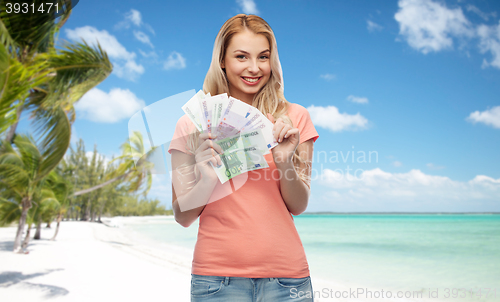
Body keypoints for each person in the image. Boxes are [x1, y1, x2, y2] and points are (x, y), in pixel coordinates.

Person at [168, 14, 319, 302]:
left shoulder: (295, 119)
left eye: (263, 57)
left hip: (288, 280)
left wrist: (285, 162)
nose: (254, 68)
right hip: (216, 281)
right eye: (241, 56)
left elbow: (298, 205)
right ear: (222, 60)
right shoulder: (191, 125)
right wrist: (207, 178)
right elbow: (182, 216)